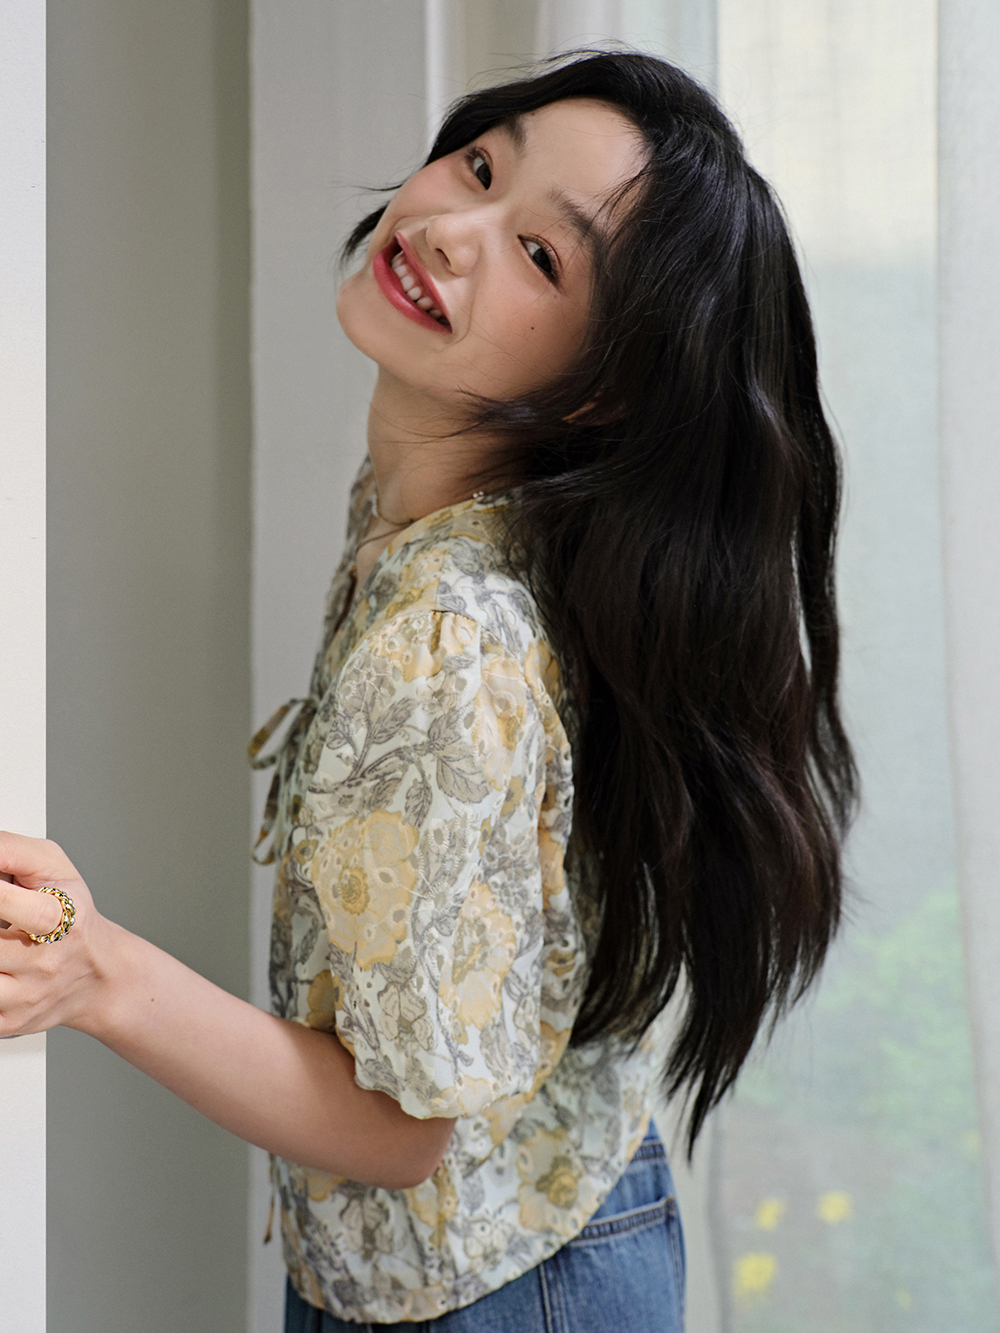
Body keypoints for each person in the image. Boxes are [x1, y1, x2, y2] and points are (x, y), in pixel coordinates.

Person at [0, 51, 856, 1331]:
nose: (448, 231)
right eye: (479, 164)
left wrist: (92, 971)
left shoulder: (450, 639)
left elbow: (399, 1130)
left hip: (502, 1290)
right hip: (508, 1253)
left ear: (612, 383)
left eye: (541, 257)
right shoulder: (462, 519)